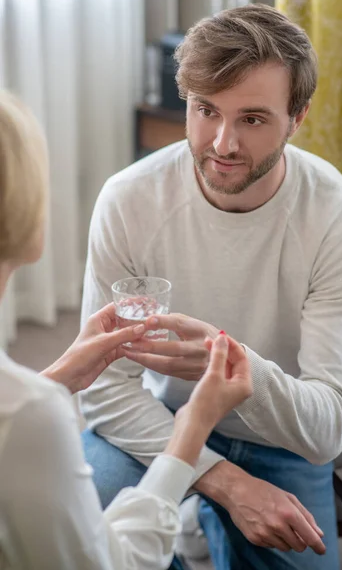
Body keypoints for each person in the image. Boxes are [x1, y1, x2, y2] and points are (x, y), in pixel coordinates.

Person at [80, 4, 342, 570]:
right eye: (205, 110)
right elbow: (102, 389)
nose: (222, 144)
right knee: (85, 548)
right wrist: (225, 482)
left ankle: (194, 522)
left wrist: (233, 362)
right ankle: (200, 512)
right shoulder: (129, 199)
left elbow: (325, 431)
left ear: (298, 118)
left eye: (253, 119)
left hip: (283, 442)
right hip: (163, 426)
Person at [0, 89, 254, 570]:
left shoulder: (27, 403)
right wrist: (192, 429)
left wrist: (58, 377)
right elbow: (109, 565)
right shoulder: (34, 418)